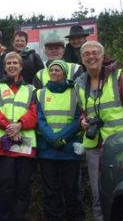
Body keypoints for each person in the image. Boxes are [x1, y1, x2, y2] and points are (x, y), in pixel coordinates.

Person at [75, 41, 123, 221]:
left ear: (102, 56)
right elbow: (83, 111)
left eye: (95, 52)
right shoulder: (80, 83)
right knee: (97, 193)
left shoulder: (118, 75)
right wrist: (83, 121)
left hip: (119, 146)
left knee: (121, 190)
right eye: (86, 54)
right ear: (82, 59)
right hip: (94, 145)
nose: (91, 56)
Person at [0, 51, 37, 221]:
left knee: (23, 188)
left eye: (15, 63)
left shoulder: (31, 89)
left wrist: (20, 125)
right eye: (9, 63)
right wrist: (10, 127)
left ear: (21, 67)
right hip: (3, 147)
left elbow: (35, 113)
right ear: (4, 67)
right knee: (4, 187)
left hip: (25, 146)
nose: (12, 66)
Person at [36, 60, 84, 221]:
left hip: (69, 150)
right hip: (47, 150)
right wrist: (52, 138)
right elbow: (40, 119)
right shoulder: (40, 93)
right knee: (50, 191)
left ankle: (75, 217)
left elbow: (79, 119)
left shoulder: (76, 92)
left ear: (64, 73)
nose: (54, 72)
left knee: (71, 190)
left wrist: (61, 138)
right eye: (52, 70)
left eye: (58, 70)